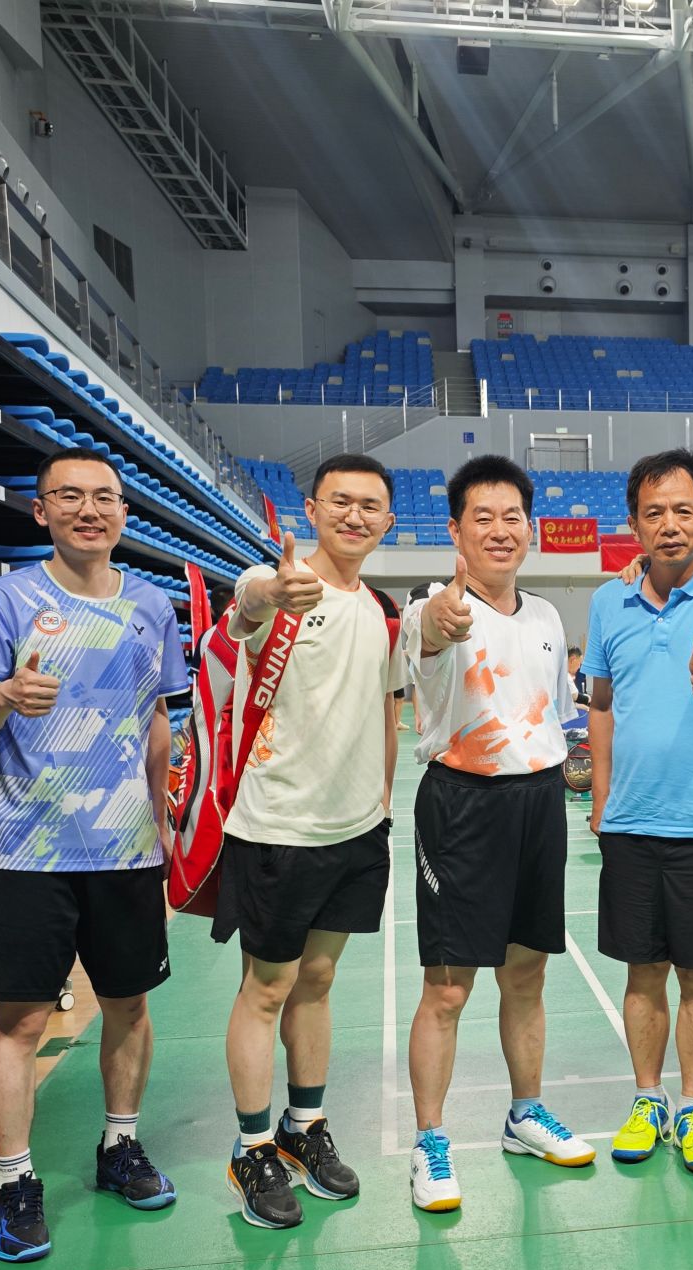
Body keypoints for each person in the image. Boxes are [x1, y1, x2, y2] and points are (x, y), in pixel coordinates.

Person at [0, 448, 188, 1263]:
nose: (90, 510)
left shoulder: (151, 606)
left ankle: (120, 1146)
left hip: (126, 848)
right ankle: (15, 1182)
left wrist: (159, 822)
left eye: (104, 498)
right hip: (30, 850)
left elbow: (156, 720)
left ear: (123, 513)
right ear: (41, 510)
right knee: (18, 1022)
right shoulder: (4, 600)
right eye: (70, 496)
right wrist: (5, 694)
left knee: (128, 1006)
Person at [213, 454, 403, 1230]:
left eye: (371, 506)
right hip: (278, 828)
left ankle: (304, 1126)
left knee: (318, 982)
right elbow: (245, 609)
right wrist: (267, 592)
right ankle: (252, 1146)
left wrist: (381, 800)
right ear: (313, 510)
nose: (356, 516)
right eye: (341, 502)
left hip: (356, 830)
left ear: (388, 521)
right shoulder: (278, 586)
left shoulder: (382, 609)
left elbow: (387, 709)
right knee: (266, 988)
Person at [400, 455, 590, 1213]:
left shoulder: (544, 618)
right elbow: (432, 636)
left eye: (513, 516)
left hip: (539, 802)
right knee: (448, 987)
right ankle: (429, 1141)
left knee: (527, 974)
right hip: (461, 806)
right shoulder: (431, 608)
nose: (501, 529)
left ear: (530, 528)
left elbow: (556, 713)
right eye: (483, 517)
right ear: (456, 531)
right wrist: (441, 622)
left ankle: (524, 1115)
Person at [583, 450, 693, 1177]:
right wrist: (601, 799)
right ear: (634, 525)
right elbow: (599, 705)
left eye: (683, 510)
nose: (669, 524)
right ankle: (647, 1099)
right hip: (631, 825)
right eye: (653, 512)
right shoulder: (607, 602)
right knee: (641, 974)